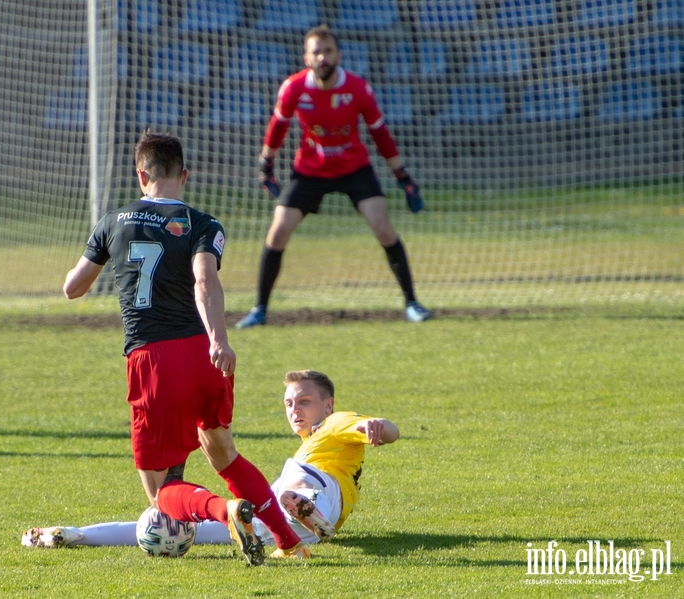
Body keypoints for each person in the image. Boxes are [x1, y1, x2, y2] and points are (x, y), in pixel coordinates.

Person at [59, 130, 306, 564]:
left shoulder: (112, 222)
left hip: (153, 358)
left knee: (160, 494)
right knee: (223, 451)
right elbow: (205, 282)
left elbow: (72, 288)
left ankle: (224, 512)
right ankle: (288, 541)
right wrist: (220, 340)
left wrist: (104, 252)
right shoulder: (203, 224)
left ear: (141, 176)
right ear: (184, 175)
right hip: (204, 355)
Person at [22, 369, 400, 550]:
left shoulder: (334, 424)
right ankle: (72, 534)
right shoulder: (312, 437)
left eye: (304, 401)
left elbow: (378, 425)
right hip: (303, 527)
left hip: (320, 490)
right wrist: (71, 535)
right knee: (187, 527)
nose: (295, 409)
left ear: (327, 403)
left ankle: (305, 507)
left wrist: (377, 426)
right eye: (289, 403)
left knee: (293, 477)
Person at [236, 25, 432, 329]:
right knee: (277, 232)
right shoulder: (294, 88)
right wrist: (266, 165)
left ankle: (412, 303)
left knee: (383, 228)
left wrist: (402, 176)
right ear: (306, 57)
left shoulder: (357, 89)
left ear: (338, 54)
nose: (322, 57)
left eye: (328, 51)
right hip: (309, 170)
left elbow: (380, 134)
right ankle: (259, 309)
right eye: (316, 52)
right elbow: (278, 126)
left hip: (354, 169)